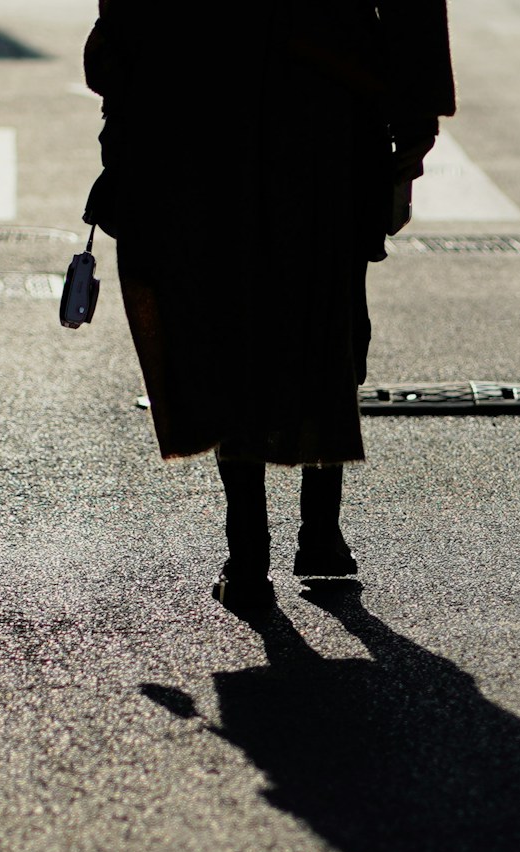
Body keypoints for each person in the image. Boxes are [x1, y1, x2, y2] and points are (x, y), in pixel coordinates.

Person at [83, 1, 455, 609]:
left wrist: (121, 101)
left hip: (200, 96)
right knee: (325, 309)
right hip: (324, 103)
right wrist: (412, 128)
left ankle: (249, 549)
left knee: (226, 312)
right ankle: (319, 531)